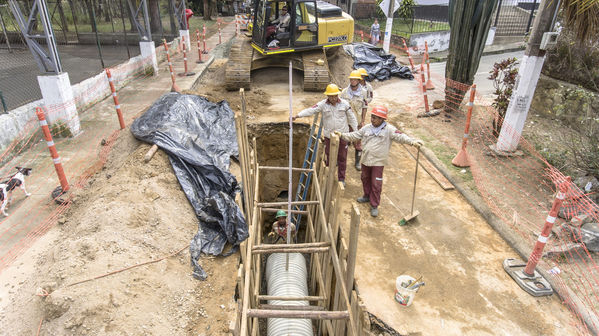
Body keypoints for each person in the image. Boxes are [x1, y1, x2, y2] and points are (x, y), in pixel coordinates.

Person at [335, 106, 423, 217]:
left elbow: (401, 136)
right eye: (372, 117)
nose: (373, 120)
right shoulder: (366, 128)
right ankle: (366, 196)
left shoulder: (389, 130)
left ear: (382, 119)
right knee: (365, 178)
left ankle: (374, 205)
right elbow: (355, 135)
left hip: (378, 162)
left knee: (376, 183)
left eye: (376, 118)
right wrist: (342, 135)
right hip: (366, 160)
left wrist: (413, 142)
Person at [293, 84, 357, 186]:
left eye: (335, 95)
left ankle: (341, 178)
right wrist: (298, 115)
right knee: (329, 156)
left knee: (342, 158)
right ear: (327, 96)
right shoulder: (323, 104)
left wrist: (355, 132)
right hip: (328, 136)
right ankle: (328, 175)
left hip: (343, 135)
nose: (333, 98)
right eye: (331, 96)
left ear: (337, 94)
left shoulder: (345, 104)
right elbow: (311, 110)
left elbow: (352, 118)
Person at [340, 70, 367, 171]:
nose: (353, 81)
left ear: (359, 80)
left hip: (357, 120)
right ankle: (341, 161)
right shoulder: (344, 92)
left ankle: (357, 162)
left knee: (358, 143)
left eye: (355, 79)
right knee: (343, 141)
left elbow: (364, 107)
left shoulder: (363, 92)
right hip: (346, 121)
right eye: (351, 79)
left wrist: (363, 120)